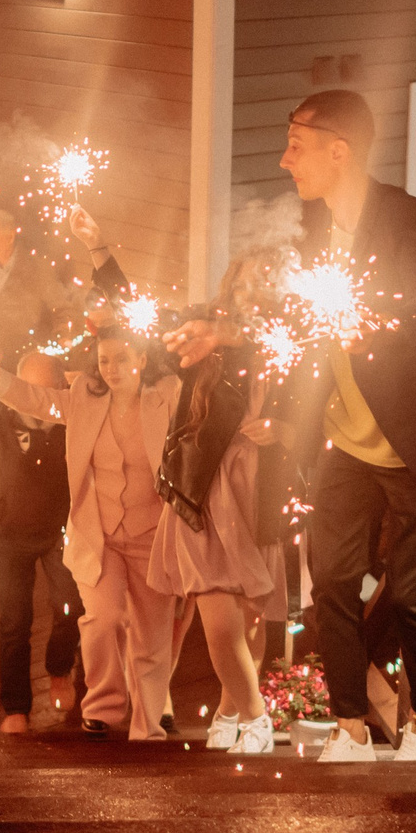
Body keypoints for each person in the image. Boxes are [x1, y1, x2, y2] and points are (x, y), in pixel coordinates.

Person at [279, 88, 416, 764]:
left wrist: (368, 314)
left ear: (338, 151)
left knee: (413, 591)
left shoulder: (411, 218)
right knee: (332, 581)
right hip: (347, 439)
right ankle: (349, 727)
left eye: (297, 145)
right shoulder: (312, 225)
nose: (285, 160)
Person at [0, 304, 182, 742]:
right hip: (98, 533)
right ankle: (102, 706)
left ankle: (148, 723)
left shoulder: (167, 396)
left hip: (152, 533)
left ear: (142, 359)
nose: (112, 368)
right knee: (101, 619)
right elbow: (35, 398)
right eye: (104, 360)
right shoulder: (86, 397)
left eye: (123, 358)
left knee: (152, 635)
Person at [154, 315, 286, 755]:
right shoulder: (198, 354)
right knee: (217, 611)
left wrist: (281, 431)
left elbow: (310, 420)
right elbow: (149, 333)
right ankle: (256, 718)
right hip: (203, 495)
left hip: (257, 493)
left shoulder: (283, 349)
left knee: (251, 615)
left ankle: (229, 715)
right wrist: (99, 253)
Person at [0, 350, 86, 733]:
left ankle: (59, 667)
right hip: (9, 531)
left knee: (71, 607)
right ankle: (16, 706)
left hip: (61, 529)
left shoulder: (73, 421)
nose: (37, 398)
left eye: (47, 388)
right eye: (29, 388)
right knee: (15, 620)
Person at [0, 208, 85, 357]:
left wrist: (64, 335)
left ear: (10, 237)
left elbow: (62, 308)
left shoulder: (37, 269)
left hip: (22, 356)